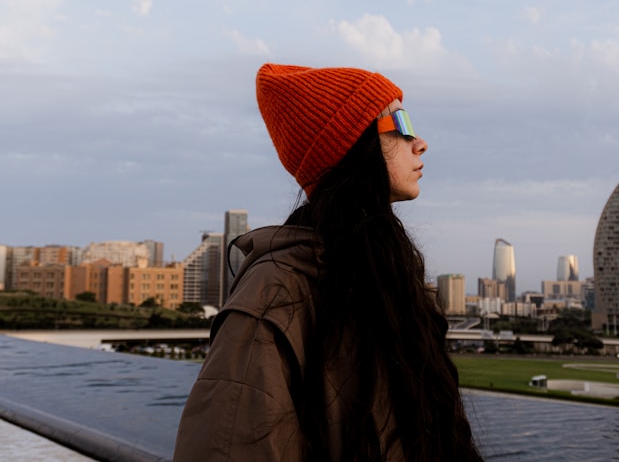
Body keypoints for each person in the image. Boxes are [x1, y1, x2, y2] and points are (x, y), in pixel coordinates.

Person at [173, 63, 483, 461]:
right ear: (354, 146)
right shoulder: (273, 296)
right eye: (400, 122)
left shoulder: (388, 280)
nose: (419, 142)